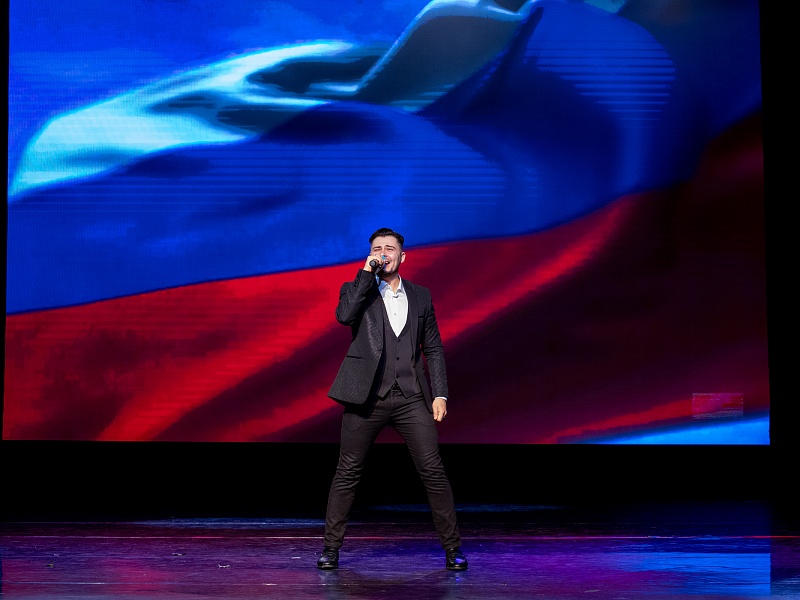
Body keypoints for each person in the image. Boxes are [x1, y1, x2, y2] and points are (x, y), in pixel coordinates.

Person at [317, 227, 467, 571]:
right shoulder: (356, 289)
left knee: (433, 471)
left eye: (389, 248)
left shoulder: (421, 296)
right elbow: (344, 316)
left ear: (402, 256)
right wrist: (365, 274)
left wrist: (440, 393)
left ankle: (453, 549)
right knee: (347, 472)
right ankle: (330, 549)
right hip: (366, 397)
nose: (382, 253)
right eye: (376, 249)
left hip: (411, 396)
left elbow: (433, 347)